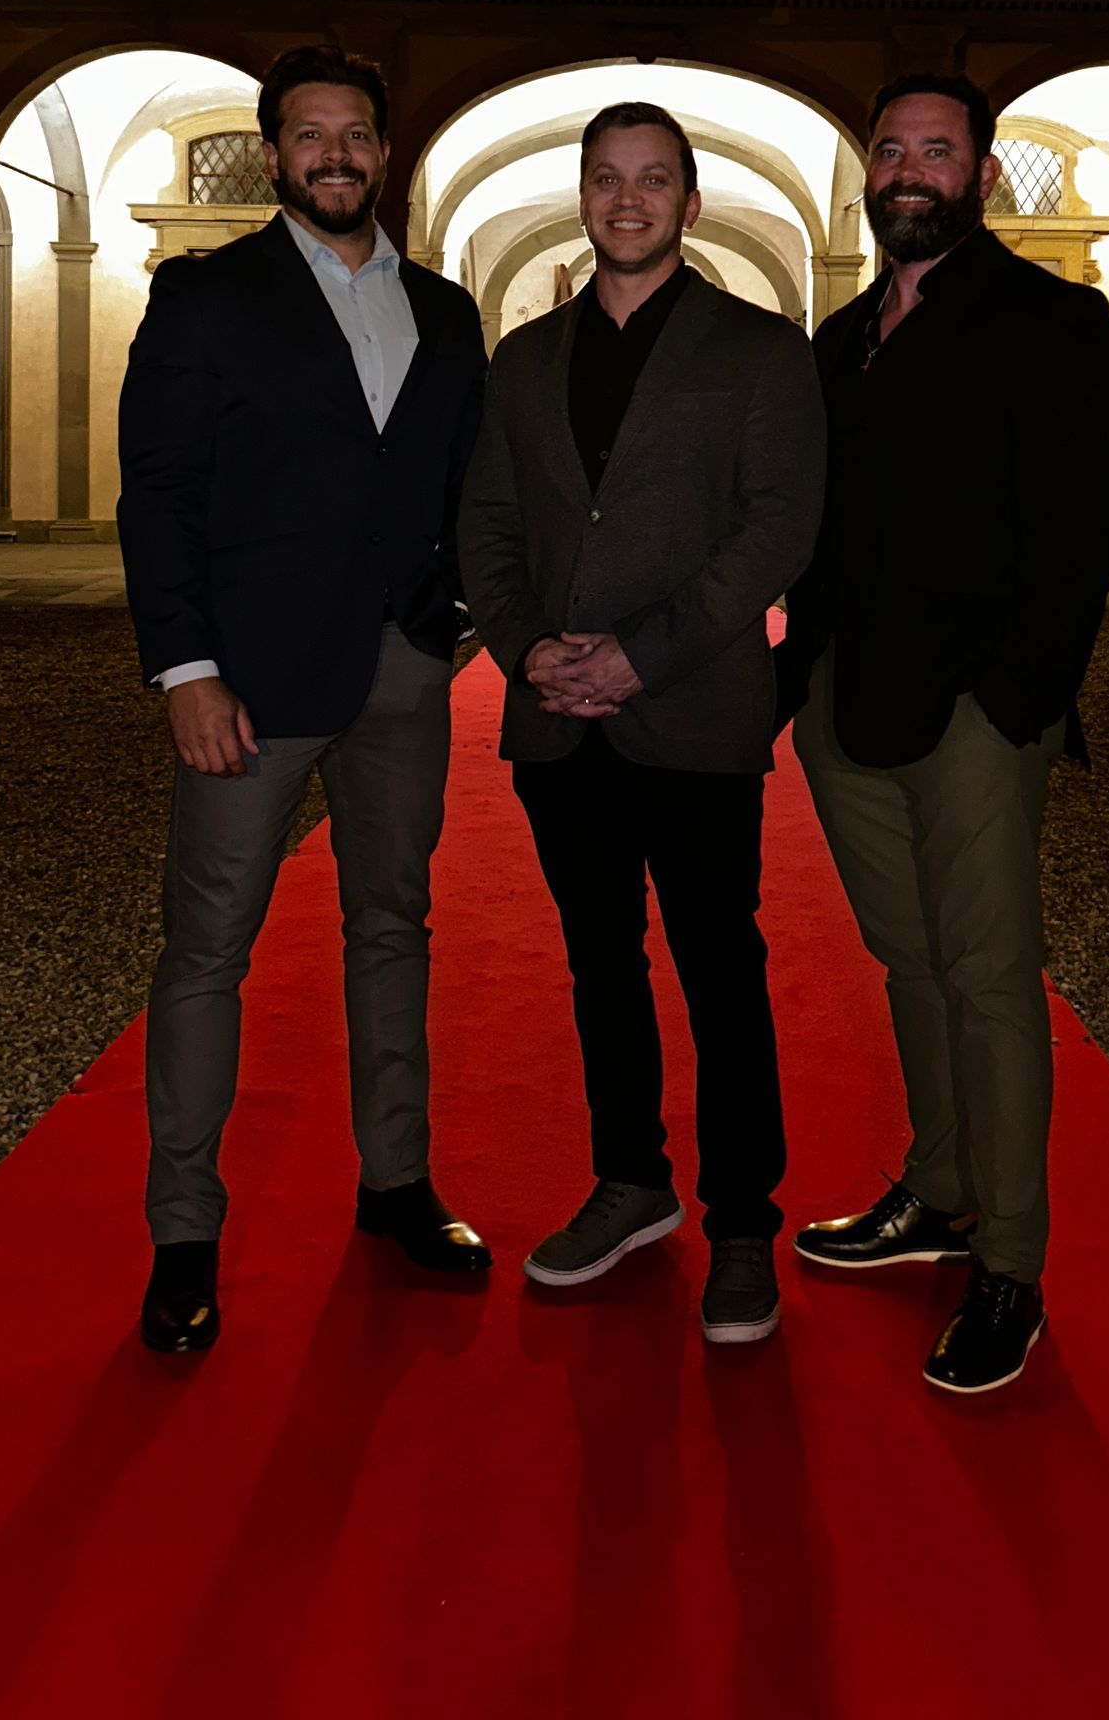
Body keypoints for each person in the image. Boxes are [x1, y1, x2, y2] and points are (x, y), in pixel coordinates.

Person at [118, 44, 491, 1354]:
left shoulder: (447, 314)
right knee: (208, 954)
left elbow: (465, 488)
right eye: (310, 136)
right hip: (250, 682)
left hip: (401, 672)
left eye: (357, 135)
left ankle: (396, 1186)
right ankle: (184, 1237)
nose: (336, 155)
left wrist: (455, 620)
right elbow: (157, 494)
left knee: (395, 926)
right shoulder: (206, 299)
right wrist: (185, 670)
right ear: (274, 156)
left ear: (386, 154)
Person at [777, 73, 1109, 1396]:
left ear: (980, 176)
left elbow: (1079, 530)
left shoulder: (1053, 321)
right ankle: (942, 1193)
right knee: (907, 958)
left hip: (980, 709)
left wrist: (1018, 699)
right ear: (868, 176)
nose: (910, 169)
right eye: (890, 150)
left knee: (986, 974)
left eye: (937, 150)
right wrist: (789, 682)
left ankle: (1012, 1269)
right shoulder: (840, 338)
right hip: (846, 703)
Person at [458, 103, 826, 1346]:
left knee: (724, 970)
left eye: (653, 179)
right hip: (560, 726)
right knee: (598, 965)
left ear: (692, 200)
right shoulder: (524, 359)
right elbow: (490, 527)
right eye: (607, 179)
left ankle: (740, 1226)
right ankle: (631, 1184)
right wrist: (525, 649)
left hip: (696, 716)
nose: (628, 200)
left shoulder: (764, 352)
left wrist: (641, 656)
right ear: (580, 193)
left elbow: (775, 531)